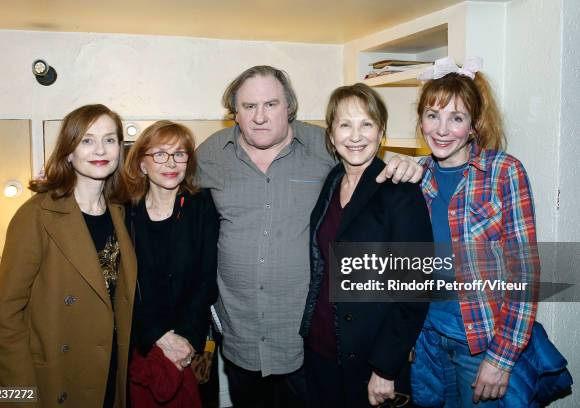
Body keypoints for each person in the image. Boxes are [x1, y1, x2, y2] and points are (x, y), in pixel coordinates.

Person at [195, 65, 424, 407]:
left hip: (304, 346)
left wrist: (406, 165)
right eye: (248, 106)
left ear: (289, 107)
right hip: (242, 339)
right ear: (234, 113)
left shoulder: (322, 148)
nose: (260, 116)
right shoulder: (210, 155)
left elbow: (363, 156)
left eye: (271, 104)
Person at [410, 57, 571, 407]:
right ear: (421, 120)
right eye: (432, 115)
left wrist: (501, 358)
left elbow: (523, 272)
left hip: (481, 343)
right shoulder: (416, 176)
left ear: (474, 124)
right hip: (427, 342)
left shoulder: (504, 172)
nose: (441, 128)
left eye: (456, 117)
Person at [0, 104, 137, 407]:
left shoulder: (120, 212)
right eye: (87, 140)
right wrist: (21, 397)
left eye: (109, 140)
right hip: (58, 376)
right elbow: (7, 318)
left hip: (109, 365)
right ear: (69, 152)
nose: (100, 149)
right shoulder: (36, 215)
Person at [298, 83, 431, 407]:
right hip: (321, 348)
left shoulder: (400, 191)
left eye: (366, 124)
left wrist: (385, 368)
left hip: (372, 359)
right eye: (345, 124)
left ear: (381, 132)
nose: (355, 136)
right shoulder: (332, 181)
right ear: (331, 135)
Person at [124, 120, 219, 407]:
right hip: (141, 344)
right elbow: (124, 286)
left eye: (179, 154)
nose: (171, 162)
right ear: (142, 163)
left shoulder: (202, 205)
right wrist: (159, 336)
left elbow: (207, 277)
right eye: (160, 154)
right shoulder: (125, 211)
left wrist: (186, 340)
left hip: (191, 347)